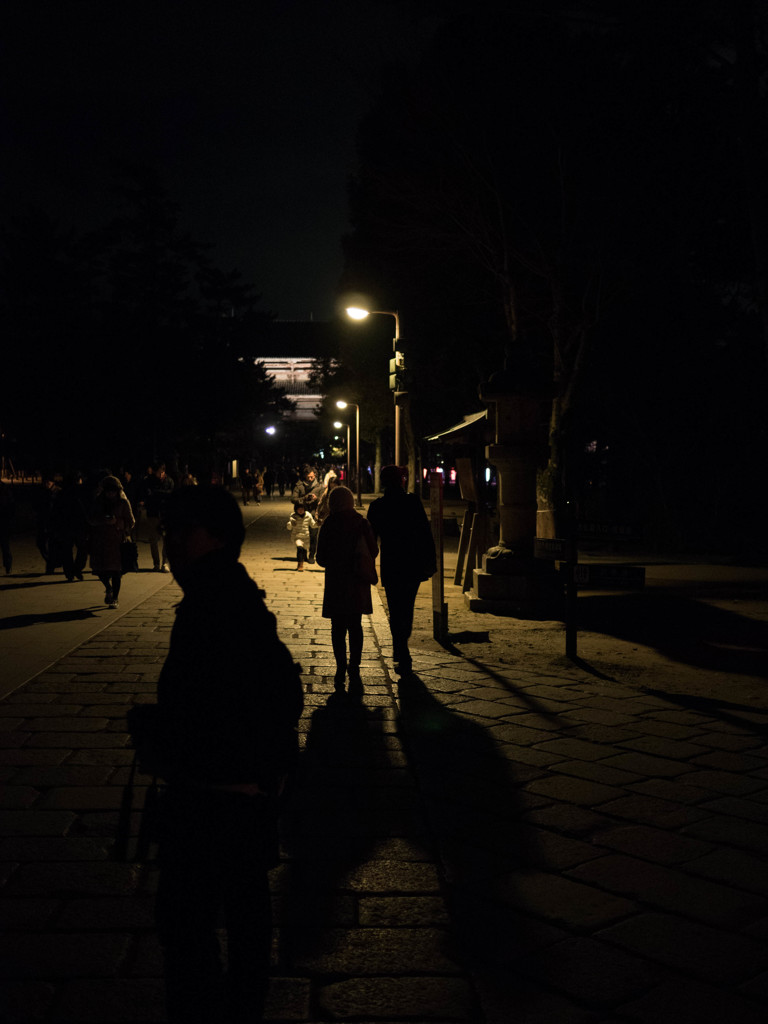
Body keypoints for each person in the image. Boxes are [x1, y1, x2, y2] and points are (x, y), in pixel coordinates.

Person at [128, 485, 303, 1024]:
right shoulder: (221, 594)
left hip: (216, 795)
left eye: (185, 532)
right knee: (240, 912)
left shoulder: (217, 602)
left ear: (218, 538)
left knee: (189, 924)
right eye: (169, 531)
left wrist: (178, 734)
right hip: (232, 791)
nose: (172, 542)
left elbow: (268, 694)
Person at [367, 466, 436, 675]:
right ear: (401, 481)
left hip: (392, 562)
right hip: (412, 561)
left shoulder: (377, 506)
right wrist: (430, 560)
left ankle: (400, 649)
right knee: (407, 606)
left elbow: (371, 541)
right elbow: (425, 532)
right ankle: (402, 647)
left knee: (395, 607)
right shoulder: (412, 501)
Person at [316, 485, 378, 691]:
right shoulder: (362, 523)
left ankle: (340, 667)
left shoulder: (329, 524)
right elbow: (374, 551)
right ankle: (355, 666)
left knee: (337, 628)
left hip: (336, 583)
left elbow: (321, 558)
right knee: (356, 626)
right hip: (357, 582)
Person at [87, 474, 135, 608]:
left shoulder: (123, 502)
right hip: (100, 541)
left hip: (116, 542)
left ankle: (115, 598)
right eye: (108, 491)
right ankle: (108, 588)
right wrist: (102, 520)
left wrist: (117, 523)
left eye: (113, 491)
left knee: (116, 571)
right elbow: (90, 519)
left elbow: (131, 522)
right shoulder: (98, 501)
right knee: (99, 570)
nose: (111, 494)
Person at [142, 463, 174, 571]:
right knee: (153, 539)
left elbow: (171, 495)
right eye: (158, 472)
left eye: (162, 472)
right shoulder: (148, 481)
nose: (160, 475)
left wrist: (157, 494)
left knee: (167, 539)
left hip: (165, 513)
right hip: (153, 513)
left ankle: (165, 562)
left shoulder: (169, 481)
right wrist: (162, 495)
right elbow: (148, 495)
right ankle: (156, 563)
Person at [290, 466, 322, 562]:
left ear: (315, 475)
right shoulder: (299, 486)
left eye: (312, 477)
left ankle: (312, 555)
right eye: (308, 477)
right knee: (301, 534)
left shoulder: (319, 487)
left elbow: (324, 500)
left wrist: (316, 499)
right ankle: (302, 554)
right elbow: (293, 499)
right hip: (301, 513)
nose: (310, 479)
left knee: (313, 535)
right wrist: (304, 498)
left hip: (314, 513)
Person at [286, 500, 315, 570]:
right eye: (299, 509)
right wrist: (291, 524)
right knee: (299, 548)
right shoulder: (293, 516)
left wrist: (319, 523)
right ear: (296, 509)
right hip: (297, 536)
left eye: (302, 509)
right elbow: (289, 528)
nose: (301, 510)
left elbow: (313, 525)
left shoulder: (308, 515)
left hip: (306, 537)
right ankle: (300, 565)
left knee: (304, 549)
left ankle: (303, 558)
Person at [0, 479, 15, 575]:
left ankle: (8, 565)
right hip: (4, 521)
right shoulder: (5, 488)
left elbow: (10, 505)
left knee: (5, 546)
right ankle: (8, 565)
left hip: (3, 521)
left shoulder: (4, 489)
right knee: (5, 546)